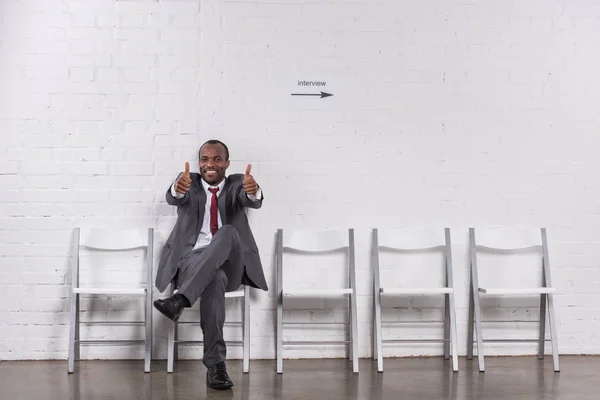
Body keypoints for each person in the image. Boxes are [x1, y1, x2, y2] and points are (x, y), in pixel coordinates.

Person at [153, 139, 268, 390]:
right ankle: (216, 367)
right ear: (199, 163)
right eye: (204, 159)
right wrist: (177, 188)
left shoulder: (238, 182)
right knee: (213, 279)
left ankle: (180, 300)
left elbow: (252, 199)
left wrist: (253, 189)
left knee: (226, 232)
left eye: (217, 159)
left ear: (227, 163)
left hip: (232, 263)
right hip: (192, 261)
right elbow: (174, 197)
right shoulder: (189, 182)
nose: (210, 164)